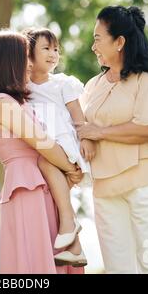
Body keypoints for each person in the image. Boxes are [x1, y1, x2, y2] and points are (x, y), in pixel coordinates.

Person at [0, 30, 84, 273]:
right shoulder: (1, 102)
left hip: (41, 183)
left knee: (51, 256)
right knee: (36, 262)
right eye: (24, 56)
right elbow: (41, 141)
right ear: (10, 60)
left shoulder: (15, 100)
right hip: (27, 186)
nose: (29, 63)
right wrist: (71, 169)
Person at [77, 6, 148, 273]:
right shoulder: (92, 86)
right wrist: (85, 137)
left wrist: (98, 133)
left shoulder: (147, 81)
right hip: (106, 190)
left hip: (147, 184)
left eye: (98, 38)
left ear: (119, 42)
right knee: (118, 268)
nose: (93, 46)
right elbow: (80, 126)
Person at [22, 27, 95, 266]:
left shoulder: (63, 83)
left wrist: (85, 139)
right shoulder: (25, 90)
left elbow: (78, 117)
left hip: (65, 143)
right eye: (46, 48)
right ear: (29, 53)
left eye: (56, 49)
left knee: (44, 161)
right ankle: (75, 249)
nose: (53, 54)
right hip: (48, 145)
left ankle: (69, 222)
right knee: (50, 181)